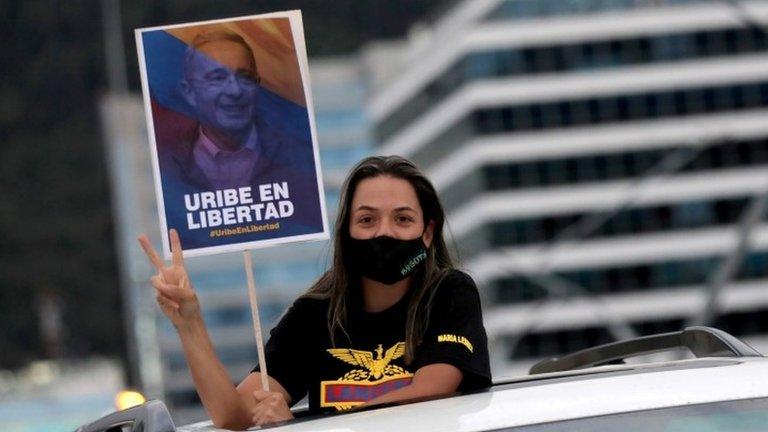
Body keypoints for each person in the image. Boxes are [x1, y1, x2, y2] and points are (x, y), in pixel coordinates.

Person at [138, 156, 491, 429]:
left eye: (402, 219)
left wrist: (307, 427)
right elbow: (235, 416)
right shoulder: (315, 313)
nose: (384, 234)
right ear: (346, 233)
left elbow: (432, 391)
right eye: (367, 220)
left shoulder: (449, 292)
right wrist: (190, 324)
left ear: (427, 233)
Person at [153, 29, 323, 249]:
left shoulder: (299, 159)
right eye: (217, 78)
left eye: (244, 77)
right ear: (189, 93)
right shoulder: (169, 171)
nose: (234, 90)